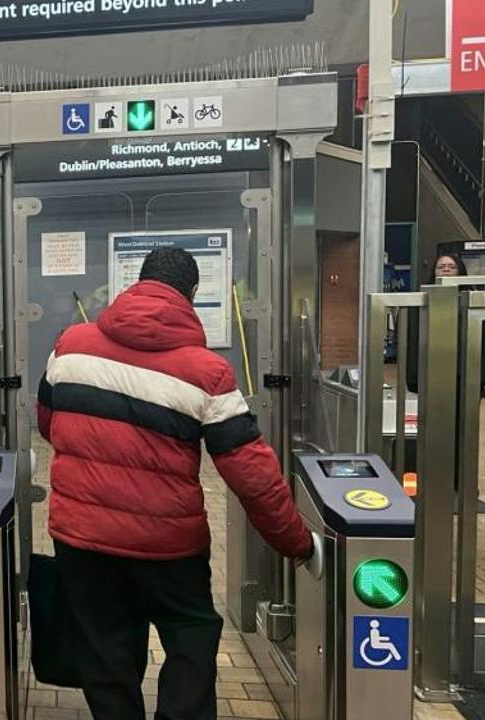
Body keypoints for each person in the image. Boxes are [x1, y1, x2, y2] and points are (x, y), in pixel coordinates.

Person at [36, 248, 313, 720]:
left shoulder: (70, 345)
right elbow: (251, 475)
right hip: (167, 546)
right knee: (191, 633)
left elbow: (49, 423)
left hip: (82, 538)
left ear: (135, 284)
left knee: (105, 649)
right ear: (191, 295)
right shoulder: (208, 372)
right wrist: (295, 541)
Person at [406, 253, 485, 394]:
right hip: (432, 370)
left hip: (467, 371)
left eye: (451, 267)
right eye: (441, 267)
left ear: (460, 271)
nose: (446, 269)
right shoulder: (421, 304)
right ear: (434, 272)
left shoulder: (474, 301)